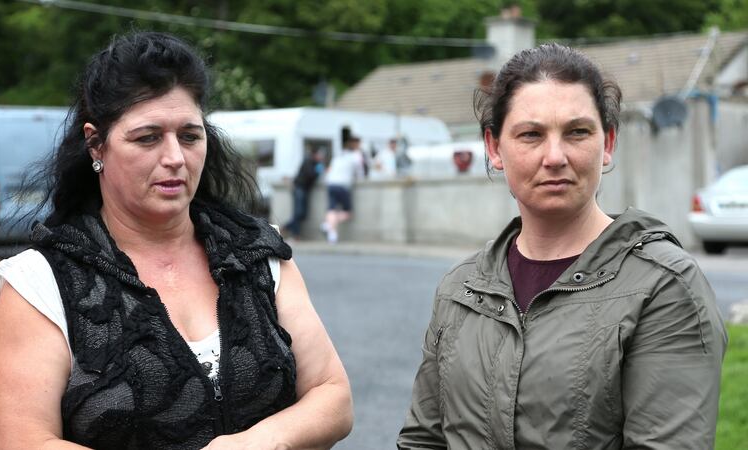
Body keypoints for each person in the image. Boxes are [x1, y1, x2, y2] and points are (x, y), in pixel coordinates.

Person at [0, 31, 352, 450]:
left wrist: (262, 440)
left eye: (190, 136)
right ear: (95, 144)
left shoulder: (256, 253)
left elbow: (332, 394)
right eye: (148, 137)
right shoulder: (40, 283)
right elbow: (19, 440)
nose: (175, 157)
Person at [398, 43, 726, 449]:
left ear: (607, 143)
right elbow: (423, 440)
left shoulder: (665, 287)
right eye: (531, 134)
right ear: (494, 147)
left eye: (577, 132)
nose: (555, 157)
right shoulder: (461, 289)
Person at [321, 135, 364, 244]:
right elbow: (360, 172)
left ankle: (331, 231)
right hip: (343, 185)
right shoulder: (356, 155)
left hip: (331, 183)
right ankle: (329, 226)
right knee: (347, 212)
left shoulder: (339, 155)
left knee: (331, 209)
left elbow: (329, 170)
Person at [283, 147, 324, 240]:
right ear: (315, 155)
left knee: (303, 214)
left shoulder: (315, 163)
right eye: (319, 154)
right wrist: (318, 171)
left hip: (304, 190)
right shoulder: (308, 161)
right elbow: (310, 174)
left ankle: (285, 228)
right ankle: (295, 234)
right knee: (298, 212)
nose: (321, 157)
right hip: (299, 188)